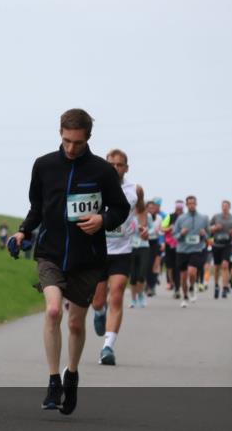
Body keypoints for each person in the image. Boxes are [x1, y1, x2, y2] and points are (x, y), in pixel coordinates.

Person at [12, 109, 129, 415]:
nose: (71, 148)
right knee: (53, 311)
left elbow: (121, 207)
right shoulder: (44, 166)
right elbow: (36, 207)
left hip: (87, 258)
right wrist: (23, 231)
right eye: (66, 141)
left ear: (88, 138)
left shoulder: (102, 171)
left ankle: (71, 375)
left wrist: (102, 219)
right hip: (50, 252)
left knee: (76, 323)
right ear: (60, 134)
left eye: (77, 142)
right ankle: (53, 381)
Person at [91, 149, 144, 366]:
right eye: (110, 164)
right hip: (98, 249)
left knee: (117, 294)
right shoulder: (95, 186)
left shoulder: (135, 189)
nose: (114, 168)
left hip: (122, 250)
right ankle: (99, 312)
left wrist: (143, 226)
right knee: (97, 301)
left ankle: (108, 347)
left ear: (126, 168)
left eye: (119, 165)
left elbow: (141, 210)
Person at [173, 195, 209, 308]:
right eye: (189, 203)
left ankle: (192, 287)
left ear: (196, 204)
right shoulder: (181, 218)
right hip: (182, 250)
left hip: (197, 249)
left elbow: (209, 235)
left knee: (192, 272)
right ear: (187, 205)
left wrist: (205, 234)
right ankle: (185, 297)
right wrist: (181, 234)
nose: (192, 205)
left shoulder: (203, 218)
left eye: (193, 203)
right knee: (183, 277)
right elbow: (175, 235)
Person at [209, 200, 232, 299]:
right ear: (221, 207)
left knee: (225, 265)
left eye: (226, 206)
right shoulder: (216, 217)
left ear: (229, 207)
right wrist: (215, 228)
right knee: (217, 267)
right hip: (216, 244)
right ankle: (216, 286)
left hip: (228, 244)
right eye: (223, 206)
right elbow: (208, 228)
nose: (224, 207)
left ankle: (225, 287)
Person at [161, 200, 184, 296]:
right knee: (170, 266)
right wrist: (169, 228)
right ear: (175, 208)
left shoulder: (185, 217)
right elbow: (162, 228)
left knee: (178, 266)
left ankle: (177, 287)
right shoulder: (169, 216)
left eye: (180, 208)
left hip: (181, 245)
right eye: (177, 208)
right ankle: (172, 283)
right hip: (169, 244)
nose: (179, 210)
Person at [145, 198, 164, 297]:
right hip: (145, 242)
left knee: (155, 266)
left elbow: (161, 231)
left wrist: (162, 242)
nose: (151, 210)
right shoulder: (143, 217)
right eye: (149, 208)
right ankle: (148, 285)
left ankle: (152, 287)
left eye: (153, 208)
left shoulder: (159, 218)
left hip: (155, 243)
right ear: (146, 209)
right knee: (147, 265)